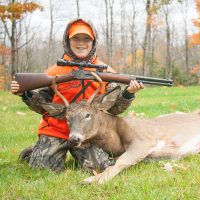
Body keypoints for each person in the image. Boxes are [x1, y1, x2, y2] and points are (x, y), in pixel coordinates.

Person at [10, 18, 144, 173]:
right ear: (68, 41)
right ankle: (35, 152)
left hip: (88, 134)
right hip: (56, 131)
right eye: (76, 38)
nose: (81, 43)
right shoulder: (55, 73)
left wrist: (128, 93)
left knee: (101, 168)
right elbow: (43, 105)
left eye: (86, 39)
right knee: (42, 169)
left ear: (93, 43)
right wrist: (25, 94)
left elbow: (114, 109)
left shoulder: (105, 72)